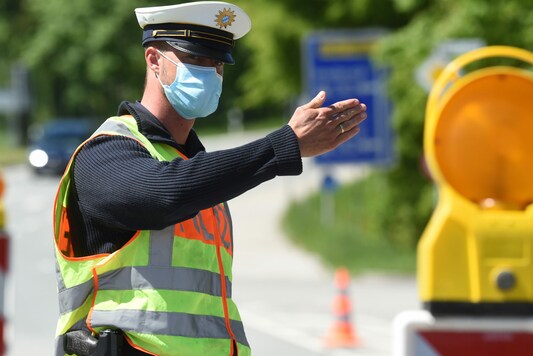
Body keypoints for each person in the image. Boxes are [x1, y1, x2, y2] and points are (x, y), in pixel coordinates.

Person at [52, 2, 367, 355]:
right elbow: (165, 194)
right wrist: (283, 146)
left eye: (217, 64)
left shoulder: (196, 167)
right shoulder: (105, 152)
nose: (210, 73)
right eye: (196, 60)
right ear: (154, 60)